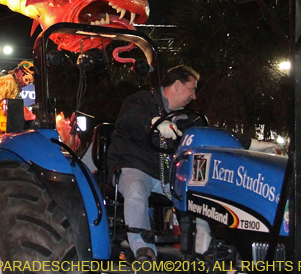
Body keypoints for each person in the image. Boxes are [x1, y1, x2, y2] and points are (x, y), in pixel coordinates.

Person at [107, 65, 276, 262]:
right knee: (136, 189)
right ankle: (143, 250)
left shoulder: (186, 118)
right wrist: (155, 124)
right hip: (135, 167)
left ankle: (203, 250)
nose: (194, 97)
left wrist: (254, 145)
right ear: (178, 85)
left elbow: (212, 134)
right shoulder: (140, 101)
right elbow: (129, 120)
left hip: (168, 177)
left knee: (201, 195)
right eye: (192, 89)